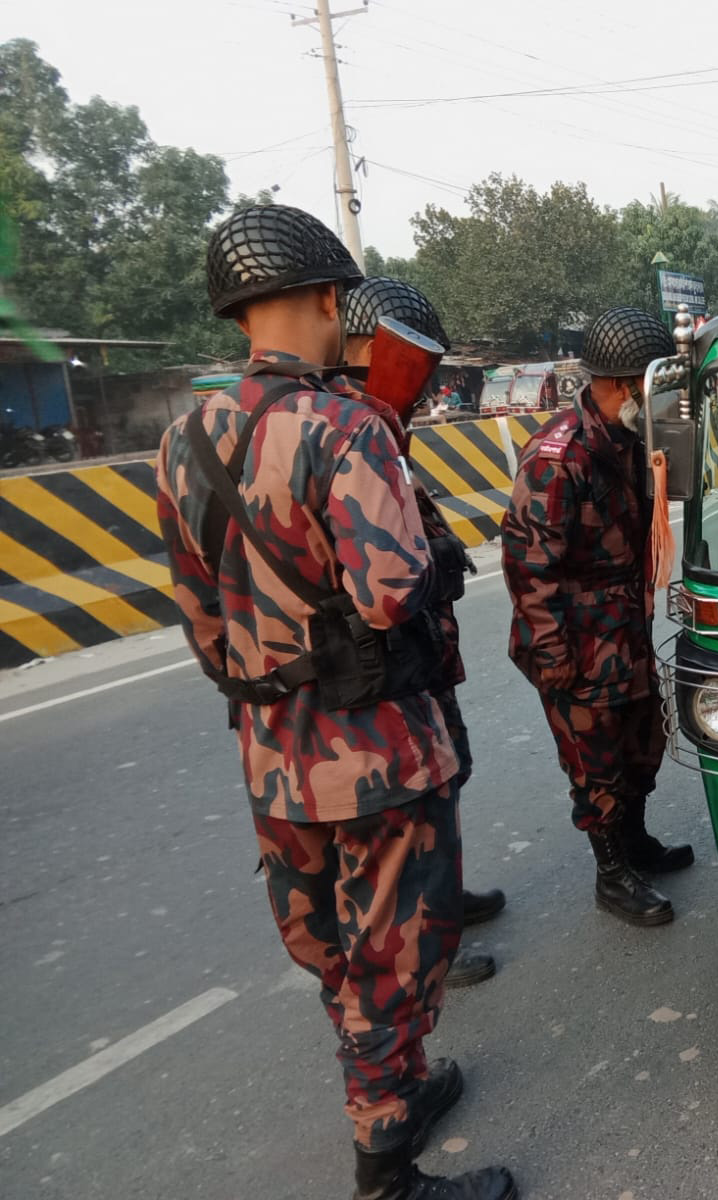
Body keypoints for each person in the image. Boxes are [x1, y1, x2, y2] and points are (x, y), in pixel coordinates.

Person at [155, 205, 514, 1200]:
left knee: (333, 950)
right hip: (379, 755)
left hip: (273, 752)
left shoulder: (184, 438)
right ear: (326, 298)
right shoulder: (345, 424)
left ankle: (396, 1091)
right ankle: (386, 1170)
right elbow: (391, 590)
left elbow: (198, 615)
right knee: (391, 960)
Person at [339, 275, 506, 990]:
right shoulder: (345, 428)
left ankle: (444, 904)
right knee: (403, 818)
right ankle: (424, 949)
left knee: (445, 785)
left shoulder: (382, 428)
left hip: (421, 659)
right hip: (384, 670)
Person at [501, 305, 692, 926]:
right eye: (651, 385)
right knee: (597, 763)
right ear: (619, 385)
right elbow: (530, 569)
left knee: (642, 746)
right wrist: (554, 660)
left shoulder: (632, 441)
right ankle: (612, 874)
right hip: (576, 642)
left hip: (623, 629)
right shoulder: (561, 457)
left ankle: (635, 844)